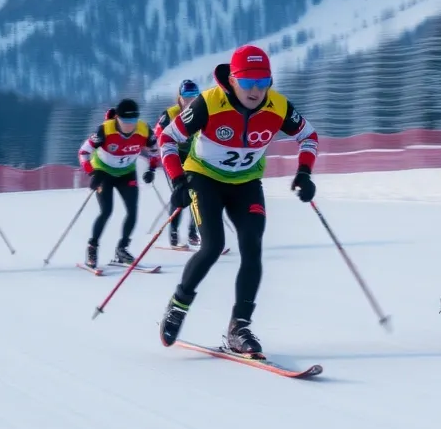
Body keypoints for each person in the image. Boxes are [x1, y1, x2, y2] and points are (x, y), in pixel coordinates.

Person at [156, 44, 318, 356]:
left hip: (246, 184)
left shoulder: (278, 106)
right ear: (232, 80)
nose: (255, 90)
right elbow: (168, 137)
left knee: (252, 247)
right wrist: (177, 179)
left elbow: (308, 136)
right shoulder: (208, 103)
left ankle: (239, 327)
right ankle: (179, 304)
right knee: (212, 246)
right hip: (204, 178)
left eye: (262, 82)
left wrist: (304, 173)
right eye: (247, 82)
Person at [77, 99, 158, 267]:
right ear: (117, 119)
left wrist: (151, 169)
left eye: (133, 120)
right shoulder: (105, 130)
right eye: (125, 121)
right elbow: (83, 152)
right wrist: (92, 172)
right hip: (104, 173)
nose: (130, 125)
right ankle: (92, 247)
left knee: (132, 211)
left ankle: (122, 249)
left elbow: (155, 151)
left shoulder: (144, 130)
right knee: (106, 211)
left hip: (127, 174)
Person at [153, 79, 203, 250]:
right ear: (180, 98)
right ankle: (173, 233)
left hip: (193, 156)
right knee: (180, 192)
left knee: (197, 193)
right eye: (186, 97)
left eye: (194, 97)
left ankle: (193, 232)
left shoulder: (201, 111)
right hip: (174, 156)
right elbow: (158, 135)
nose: (190, 101)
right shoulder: (170, 114)